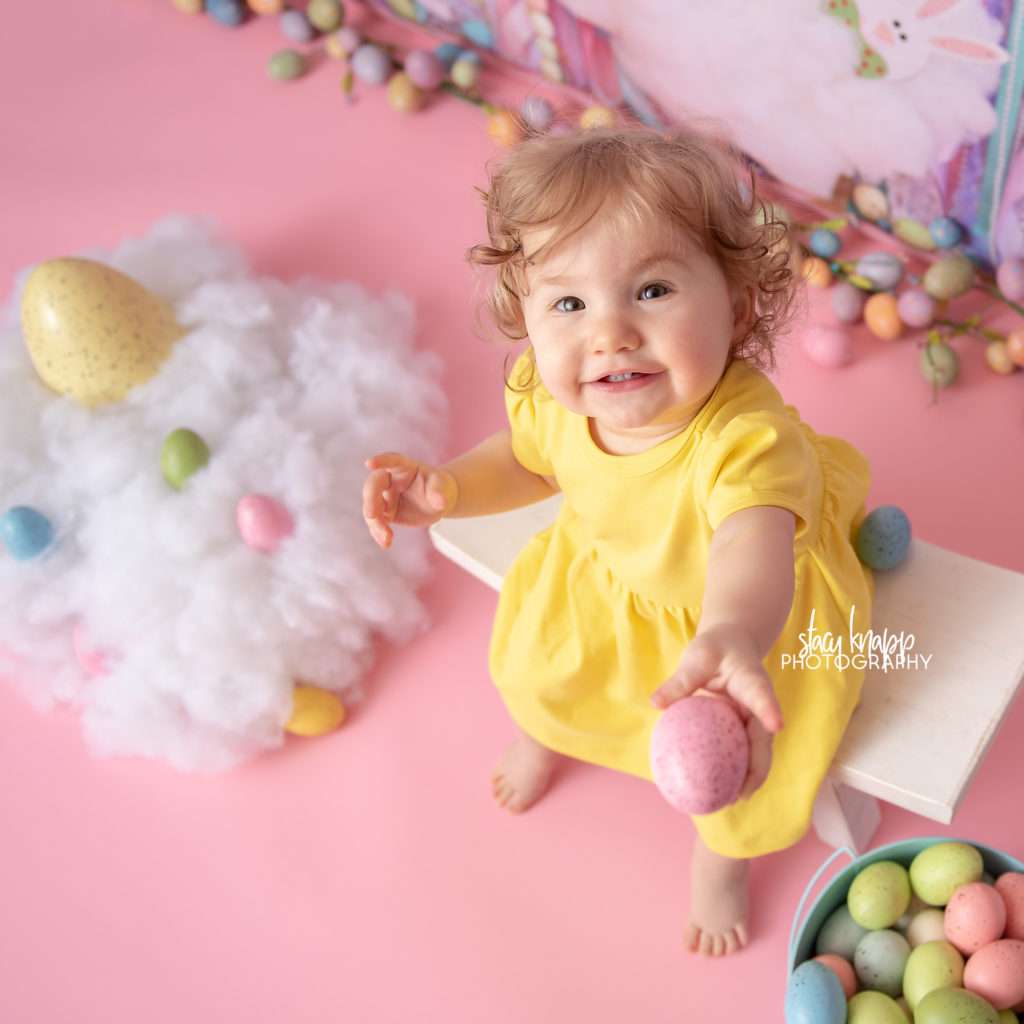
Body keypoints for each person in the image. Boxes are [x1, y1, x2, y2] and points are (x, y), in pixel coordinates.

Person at [361, 122, 874, 958]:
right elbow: (528, 461)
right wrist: (449, 487)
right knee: (541, 669)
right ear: (527, 317)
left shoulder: (747, 441)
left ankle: (723, 858)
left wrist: (734, 633)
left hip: (740, 622)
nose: (610, 335)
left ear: (739, 305)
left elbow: (753, 537)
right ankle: (551, 732)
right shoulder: (554, 396)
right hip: (608, 584)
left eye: (652, 292)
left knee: (746, 760)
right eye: (569, 304)